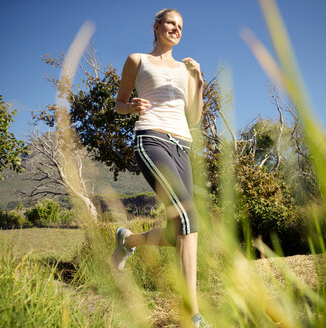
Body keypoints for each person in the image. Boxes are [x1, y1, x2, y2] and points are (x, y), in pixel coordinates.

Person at [111, 8, 209, 327]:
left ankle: (128, 241)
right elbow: (119, 103)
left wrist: (199, 82)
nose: (176, 29)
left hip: (183, 145)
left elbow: (194, 117)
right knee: (188, 216)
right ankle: (190, 313)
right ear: (156, 26)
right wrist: (130, 107)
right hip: (151, 137)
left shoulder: (185, 69)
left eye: (180, 26)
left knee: (179, 230)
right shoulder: (137, 60)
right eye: (170, 23)